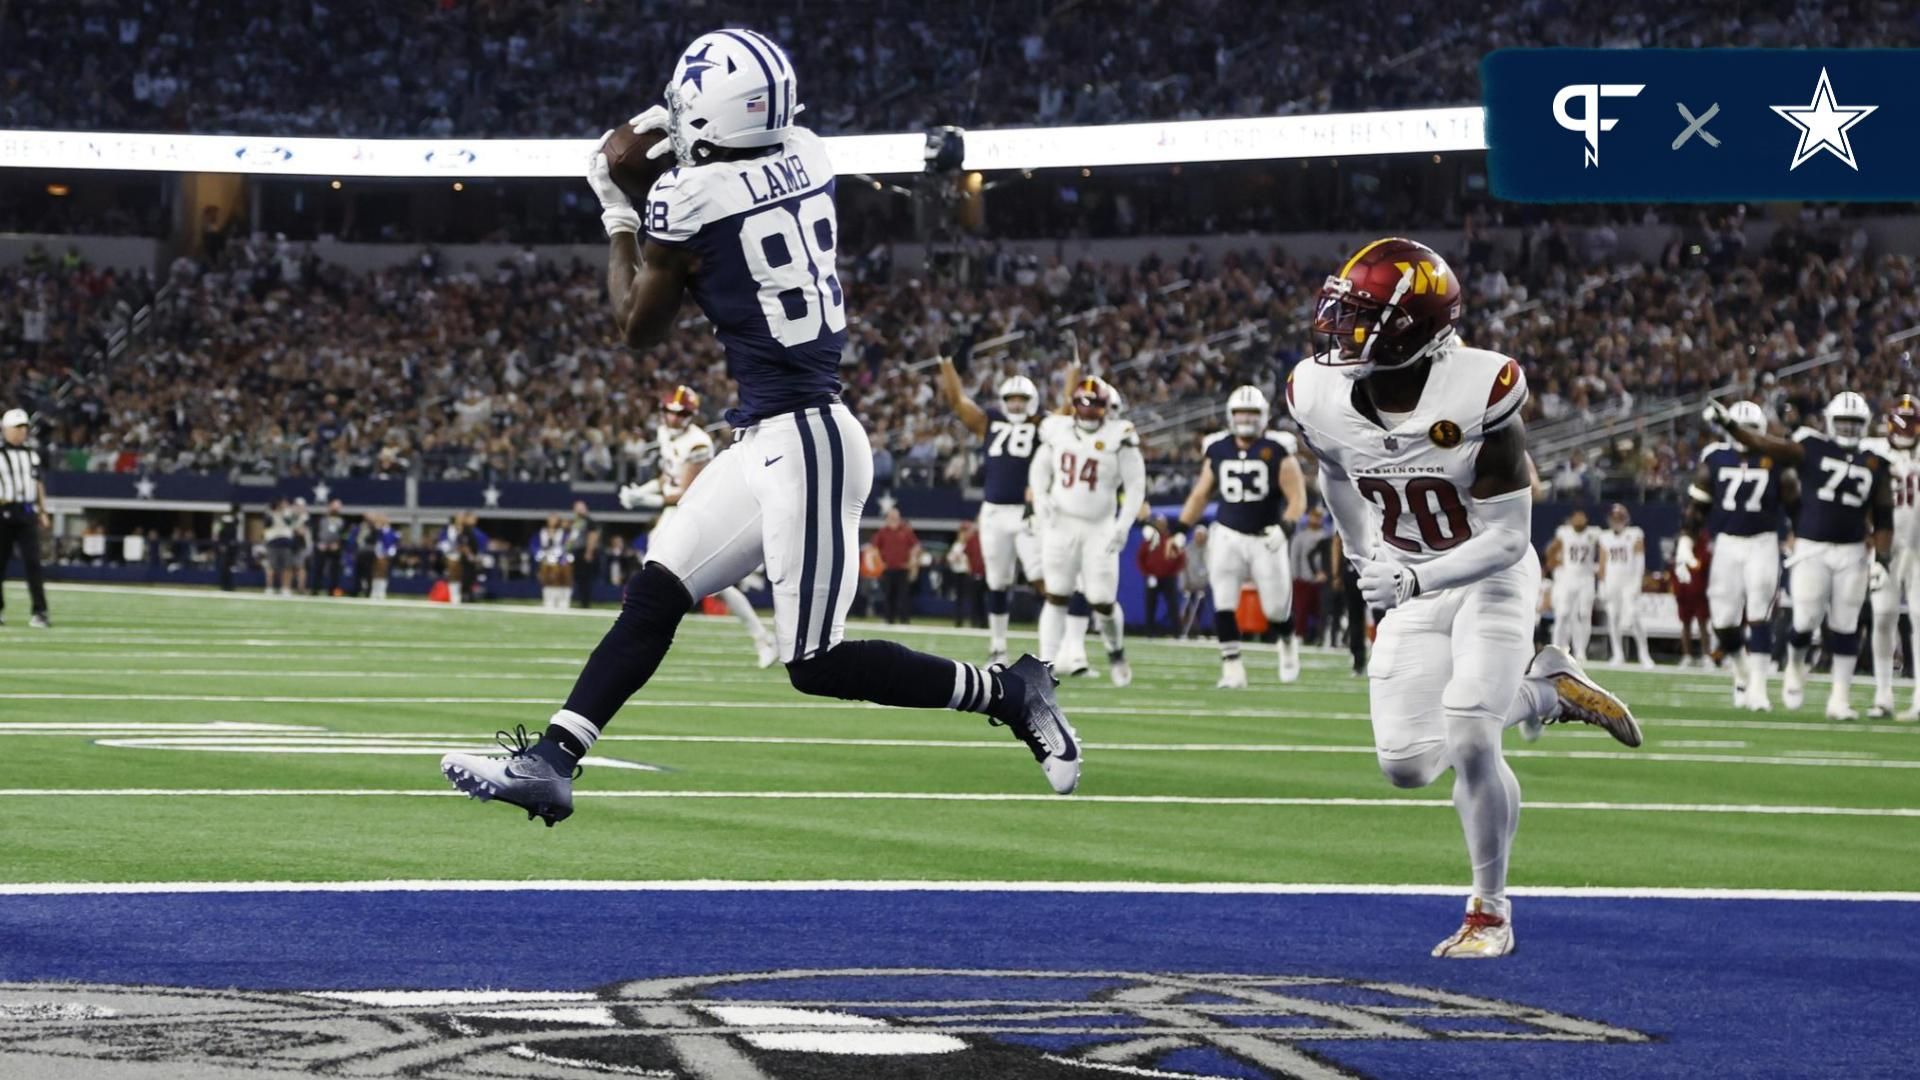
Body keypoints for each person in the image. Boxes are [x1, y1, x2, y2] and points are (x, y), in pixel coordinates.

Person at [441, 29, 1079, 826]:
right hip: (773, 435)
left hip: (806, 439)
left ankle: (1010, 692)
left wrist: (614, 212)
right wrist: (667, 135)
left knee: (815, 662)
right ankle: (552, 762)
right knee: (658, 587)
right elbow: (706, 142)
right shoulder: (811, 151)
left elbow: (635, 327)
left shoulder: (687, 199)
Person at [1296, 236, 1638, 958]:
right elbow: (1332, 472)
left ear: (1415, 331)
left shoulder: (1480, 392)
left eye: (1365, 320)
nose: (1343, 332)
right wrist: (1366, 554)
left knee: (1473, 732)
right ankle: (1546, 691)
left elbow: (1511, 538)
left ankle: (1490, 912)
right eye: (1345, 313)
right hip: (1410, 578)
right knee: (1407, 762)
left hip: (1488, 578)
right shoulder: (1318, 395)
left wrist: (1413, 576)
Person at [1707, 391, 1893, 719]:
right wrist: (1733, 428)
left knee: (1845, 625)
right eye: (1843, 422)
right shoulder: (1811, 446)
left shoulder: (1875, 459)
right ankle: (1794, 663)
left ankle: (1839, 699)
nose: (1849, 429)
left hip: (1852, 550)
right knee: (1805, 620)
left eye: (1855, 423)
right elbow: (1765, 445)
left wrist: (1883, 560)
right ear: (1829, 421)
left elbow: (1883, 515)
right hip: (1812, 547)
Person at [621, 386, 779, 666]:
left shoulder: (698, 443)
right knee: (662, 576)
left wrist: (643, 499)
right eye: (670, 412)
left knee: (691, 580)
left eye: (680, 413)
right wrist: (643, 490)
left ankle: (761, 636)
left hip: (690, 511)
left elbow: (683, 490)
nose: (674, 418)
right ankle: (760, 636)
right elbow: (667, 476)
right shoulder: (666, 435)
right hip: (670, 513)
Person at [1165, 385, 1307, 688]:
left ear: (1264, 416)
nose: (1245, 418)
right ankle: (1232, 668)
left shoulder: (1277, 448)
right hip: (1227, 534)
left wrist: (1285, 527)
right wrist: (1180, 530)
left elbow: (1297, 498)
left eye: (1252, 412)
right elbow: (1201, 494)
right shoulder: (1218, 448)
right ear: (1230, 415)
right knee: (1224, 602)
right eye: (1241, 412)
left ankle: (1286, 640)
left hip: (1266, 536)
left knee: (1276, 609)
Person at [1030, 378, 1146, 687]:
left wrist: (1123, 525)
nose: (1088, 411)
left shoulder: (1119, 436)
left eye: (1094, 405)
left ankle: (1115, 651)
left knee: (1102, 600)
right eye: (1083, 404)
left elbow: (1135, 485)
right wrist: (1041, 498)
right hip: (1062, 523)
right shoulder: (1058, 430)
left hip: (1100, 526)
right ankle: (1044, 664)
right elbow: (1040, 468)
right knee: (1056, 595)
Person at [939, 360, 1045, 664]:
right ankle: (998, 648)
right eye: (1011, 398)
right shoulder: (990, 422)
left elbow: (1066, 410)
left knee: (1041, 578)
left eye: (1021, 399)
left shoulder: (1043, 424)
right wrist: (947, 364)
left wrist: (1075, 371)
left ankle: (1051, 646)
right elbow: (957, 401)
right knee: (997, 581)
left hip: (1028, 512)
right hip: (994, 512)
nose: (1015, 404)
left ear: (1032, 401)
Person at [1686, 400, 1790, 708]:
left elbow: (1794, 499)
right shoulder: (1715, 457)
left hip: (1763, 542)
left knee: (1760, 613)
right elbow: (1699, 503)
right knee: (1723, 620)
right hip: (1728, 543)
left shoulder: (1774, 457)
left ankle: (1758, 688)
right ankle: (1742, 670)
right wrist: (1684, 540)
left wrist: (1800, 533)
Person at [1862, 395, 1920, 720]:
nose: (1907, 430)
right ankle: (1883, 693)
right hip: (1885, 546)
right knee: (1883, 616)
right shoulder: (1873, 451)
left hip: (1919, 547)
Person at [0, 408, 51, 628]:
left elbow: (38, 483)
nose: (22, 432)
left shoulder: (32, 454)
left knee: (33, 563)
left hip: (26, 512)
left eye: (24, 428)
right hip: (2, 513)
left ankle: (40, 611)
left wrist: (43, 510)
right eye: (18, 428)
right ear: (6, 429)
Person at [1599, 503, 1654, 668]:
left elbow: (1639, 558)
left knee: (1634, 616)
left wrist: (1637, 581)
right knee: (1613, 617)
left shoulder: (1634, 533)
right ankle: (1618, 654)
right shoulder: (1605, 537)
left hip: (1629, 581)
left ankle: (1644, 654)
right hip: (1612, 581)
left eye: (1619, 518)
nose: (1616, 521)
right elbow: (1602, 562)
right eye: (1614, 518)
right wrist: (1601, 584)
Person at [1544, 509, 1601, 661]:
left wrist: (1600, 567)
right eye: (1576, 517)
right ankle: (1556, 647)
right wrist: (1554, 563)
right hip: (1568, 578)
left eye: (1581, 516)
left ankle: (1581, 651)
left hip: (1586, 578)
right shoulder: (1564, 532)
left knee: (1584, 614)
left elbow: (1605, 549)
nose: (1579, 519)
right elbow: (1550, 550)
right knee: (1563, 614)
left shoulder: (1594, 533)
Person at [1135, 514, 1185, 637]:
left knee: (1173, 605)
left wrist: (1173, 573)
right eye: (1158, 523)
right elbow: (1141, 558)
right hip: (1153, 578)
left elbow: (1181, 558)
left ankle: (1177, 632)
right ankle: (1149, 632)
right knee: (1150, 605)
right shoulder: (1149, 540)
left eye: (1162, 523)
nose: (1160, 525)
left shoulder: (1171, 539)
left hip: (1168, 578)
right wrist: (1147, 574)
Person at [869, 506, 921, 624]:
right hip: (887, 569)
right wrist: (879, 562)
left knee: (903, 596)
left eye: (895, 516)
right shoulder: (882, 532)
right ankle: (888, 619)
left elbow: (916, 546)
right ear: (887, 518)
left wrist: (913, 559)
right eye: (891, 516)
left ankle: (904, 620)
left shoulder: (906, 531)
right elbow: (874, 548)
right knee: (888, 595)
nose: (893, 519)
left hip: (903, 568)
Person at [1672, 525, 1711, 669]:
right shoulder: (1681, 548)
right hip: (1685, 592)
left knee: (1703, 625)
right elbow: (1675, 569)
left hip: (1700, 592)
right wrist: (1678, 590)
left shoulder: (1703, 547)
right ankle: (1687, 656)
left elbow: (1706, 568)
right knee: (1686, 626)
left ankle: (1707, 656)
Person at [532, 513, 577, 611]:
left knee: (565, 574)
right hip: (546, 559)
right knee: (548, 576)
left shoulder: (564, 533)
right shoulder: (541, 533)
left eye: (555, 519)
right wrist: (542, 555)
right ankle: (549, 600)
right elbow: (534, 546)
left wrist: (562, 556)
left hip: (561, 559)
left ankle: (564, 600)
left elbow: (569, 547)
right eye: (550, 519)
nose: (552, 521)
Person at [1179, 524, 1210, 638]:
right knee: (1188, 610)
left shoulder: (1210, 549)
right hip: (1191, 585)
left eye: (1201, 535)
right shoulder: (1188, 549)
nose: (1199, 538)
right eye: (1197, 535)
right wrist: (1184, 583)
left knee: (1205, 609)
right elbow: (1183, 568)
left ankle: (1212, 631)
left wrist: (1206, 583)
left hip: (1206, 585)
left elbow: (1212, 568)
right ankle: (1190, 632)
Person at [311, 498, 347, 596]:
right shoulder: (321, 518)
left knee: (334, 571)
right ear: (330, 506)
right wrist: (319, 543)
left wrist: (338, 544)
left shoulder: (343, 520)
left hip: (335, 548)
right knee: (318, 568)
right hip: (321, 547)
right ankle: (315, 589)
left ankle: (332, 591)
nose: (336, 508)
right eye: (335, 505)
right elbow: (315, 532)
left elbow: (344, 535)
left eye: (338, 506)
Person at [568, 500, 599, 608]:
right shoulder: (577, 522)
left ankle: (585, 603)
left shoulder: (589, 521)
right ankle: (582, 600)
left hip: (584, 552)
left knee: (585, 578)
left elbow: (593, 536)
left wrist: (589, 552)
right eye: (576, 508)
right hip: (577, 552)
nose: (578, 510)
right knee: (579, 578)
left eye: (580, 508)